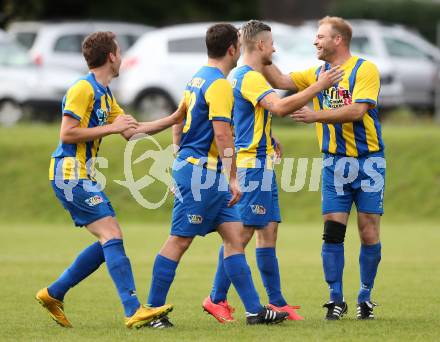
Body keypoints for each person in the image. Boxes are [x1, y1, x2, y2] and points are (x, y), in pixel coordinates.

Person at [36, 31, 186, 329]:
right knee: (112, 235)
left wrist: (175, 117)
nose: (123, 58)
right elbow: (67, 133)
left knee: (110, 239)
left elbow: (132, 130)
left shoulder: (105, 94)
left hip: (81, 174)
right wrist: (110, 129)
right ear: (111, 57)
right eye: (120, 51)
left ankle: (54, 293)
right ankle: (133, 310)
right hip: (69, 173)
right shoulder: (83, 89)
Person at [146, 23, 291, 328]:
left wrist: (178, 161)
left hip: (201, 172)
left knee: (235, 237)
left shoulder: (197, 78)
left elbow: (179, 121)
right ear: (232, 50)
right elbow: (222, 135)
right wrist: (234, 178)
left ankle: (255, 311)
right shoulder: (221, 85)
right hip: (203, 175)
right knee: (179, 241)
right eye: (239, 45)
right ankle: (152, 311)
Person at [201, 19, 344, 323]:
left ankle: (277, 302)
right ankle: (217, 298)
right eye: (273, 42)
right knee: (241, 235)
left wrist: (268, 136)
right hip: (252, 167)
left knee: (267, 230)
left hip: (262, 163)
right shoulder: (249, 77)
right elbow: (278, 108)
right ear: (261, 45)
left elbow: (249, 116)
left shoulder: (249, 76)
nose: (276, 48)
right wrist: (320, 86)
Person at [263, 16, 385, 320]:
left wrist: (315, 116)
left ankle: (365, 297)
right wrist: (258, 53)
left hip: (368, 162)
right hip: (333, 163)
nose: (315, 42)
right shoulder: (318, 73)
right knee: (333, 231)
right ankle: (335, 299)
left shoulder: (364, 69)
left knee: (368, 231)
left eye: (320, 36)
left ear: (338, 40)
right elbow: (279, 81)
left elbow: (358, 111)